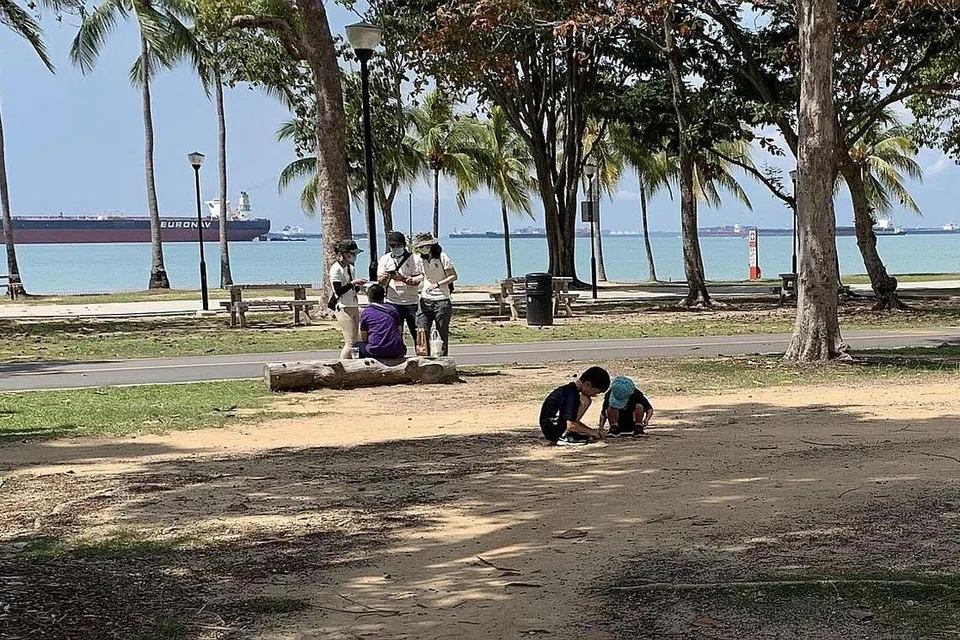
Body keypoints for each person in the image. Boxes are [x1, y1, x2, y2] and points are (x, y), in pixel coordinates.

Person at [410, 232, 457, 356]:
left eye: (424, 246)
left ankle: (441, 358)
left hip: (442, 299)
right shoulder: (420, 258)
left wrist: (438, 284)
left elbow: (453, 276)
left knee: (442, 332)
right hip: (425, 298)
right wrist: (412, 280)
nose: (422, 249)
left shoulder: (442, 257)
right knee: (421, 329)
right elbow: (424, 275)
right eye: (420, 247)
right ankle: (423, 357)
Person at [539, 367, 611, 446]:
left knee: (586, 400)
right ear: (588, 384)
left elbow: (573, 421)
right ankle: (564, 436)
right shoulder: (571, 395)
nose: (594, 395)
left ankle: (569, 434)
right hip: (552, 428)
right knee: (585, 400)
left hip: (555, 424)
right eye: (595, 392)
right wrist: (591, 432)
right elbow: (569, 424)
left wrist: (591, 431)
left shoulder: (571, 391)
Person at [377, 231, 419, 343]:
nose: (395, 248)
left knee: (417, 333)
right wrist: (386, 277)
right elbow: (380, 282)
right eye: (392, 246)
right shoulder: (385, 259)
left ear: (404, 245)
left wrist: (403, 278)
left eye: (398, 245)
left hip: (412, 302)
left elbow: (417, 280)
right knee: (395, 333)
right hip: (392, 302)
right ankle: (398, 356)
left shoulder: (414, 258)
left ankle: (422, 355)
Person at [328, 239, 366, 359]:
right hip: (343, 307)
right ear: (343, 254)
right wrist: (352, 283)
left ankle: (352, 366)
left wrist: (358, 286)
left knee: (355, 341)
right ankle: (342, 365)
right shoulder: (336, 269)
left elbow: (352, 290)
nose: (354, 256)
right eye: (352, 253)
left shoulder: (351, 268)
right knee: (349, 342)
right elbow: (338, 291)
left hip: (354, 305)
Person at [358, 284, 407, 359]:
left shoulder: (367, 312)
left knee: (357, 345)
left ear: (369, 297)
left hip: (376, 350)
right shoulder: (393, 310)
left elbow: (363, 335)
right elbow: (399, 330)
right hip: (396, 350)